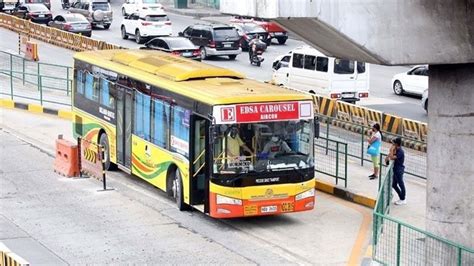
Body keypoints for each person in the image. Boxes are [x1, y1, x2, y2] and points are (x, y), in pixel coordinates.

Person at [385, 137, 406, 205]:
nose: (392, 145)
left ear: (396, 144)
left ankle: (403, 199)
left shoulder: (400, 152)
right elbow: (389, 156)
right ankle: (401, 197)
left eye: (393, 143)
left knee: (401, 184)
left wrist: (391, 150)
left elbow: (392, 157)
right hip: (395, 169)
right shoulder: (396, 150)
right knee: (394, 184)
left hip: (399, 170)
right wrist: (387, 156)